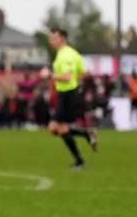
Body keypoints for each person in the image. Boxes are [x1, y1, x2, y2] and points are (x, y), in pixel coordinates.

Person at [40, 28, 97, 168]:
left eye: (53, 38)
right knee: (58, 128)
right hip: (68, 93)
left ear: (62, 38)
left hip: (68, 94)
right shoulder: (71, 53)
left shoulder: (65, 56)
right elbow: (82, 73)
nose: (50, 41)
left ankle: (81, 156)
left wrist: (49, 75)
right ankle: (85, 139)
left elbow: (67, 77)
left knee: (56, 128)